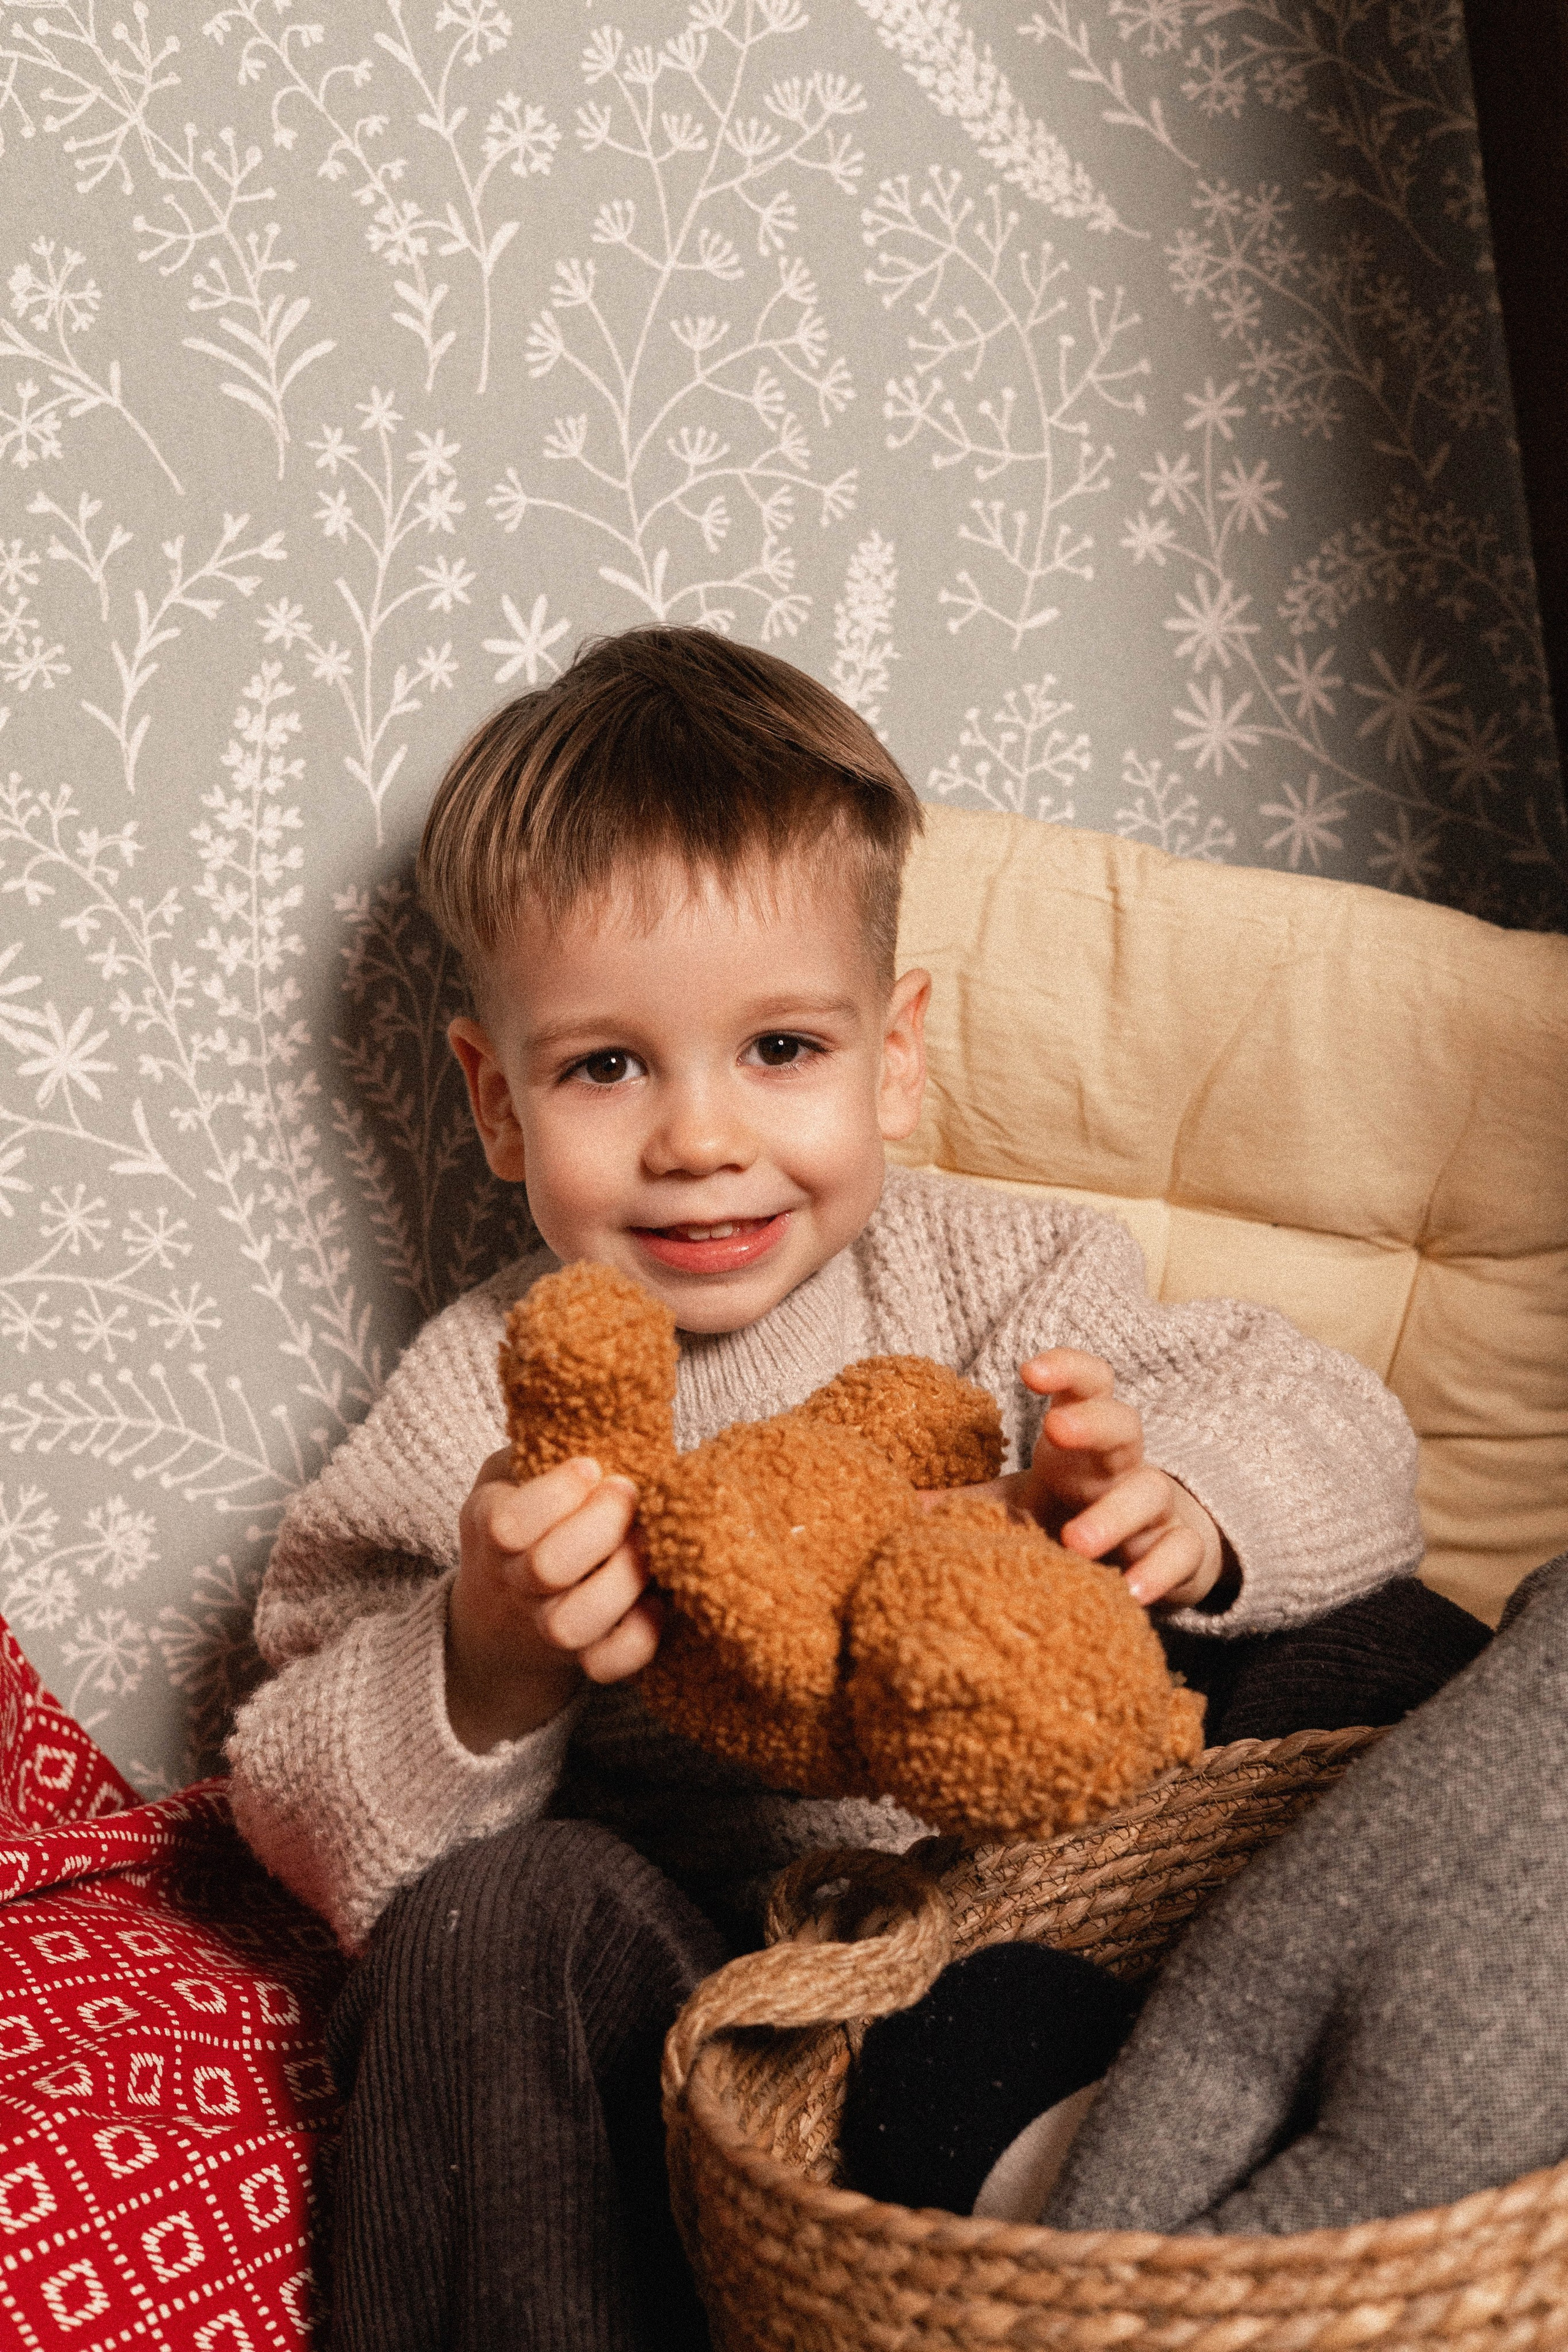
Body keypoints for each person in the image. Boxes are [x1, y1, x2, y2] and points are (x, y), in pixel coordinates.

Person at [227, 626, 1442, 2350]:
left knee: (1387, 1637)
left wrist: (1175, 1509)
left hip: (1078, 1890)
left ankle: (1368, 2135)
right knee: (488, 1932)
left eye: (781, 1050)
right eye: (606, 1067)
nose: (701, 1137)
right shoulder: (481, 1394)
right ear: (496, 1104)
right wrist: (483, 1653)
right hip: (738, 2010)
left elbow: (1339, 1427)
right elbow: (285, 1787)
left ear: (894, 1057)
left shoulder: (1005, 1273)